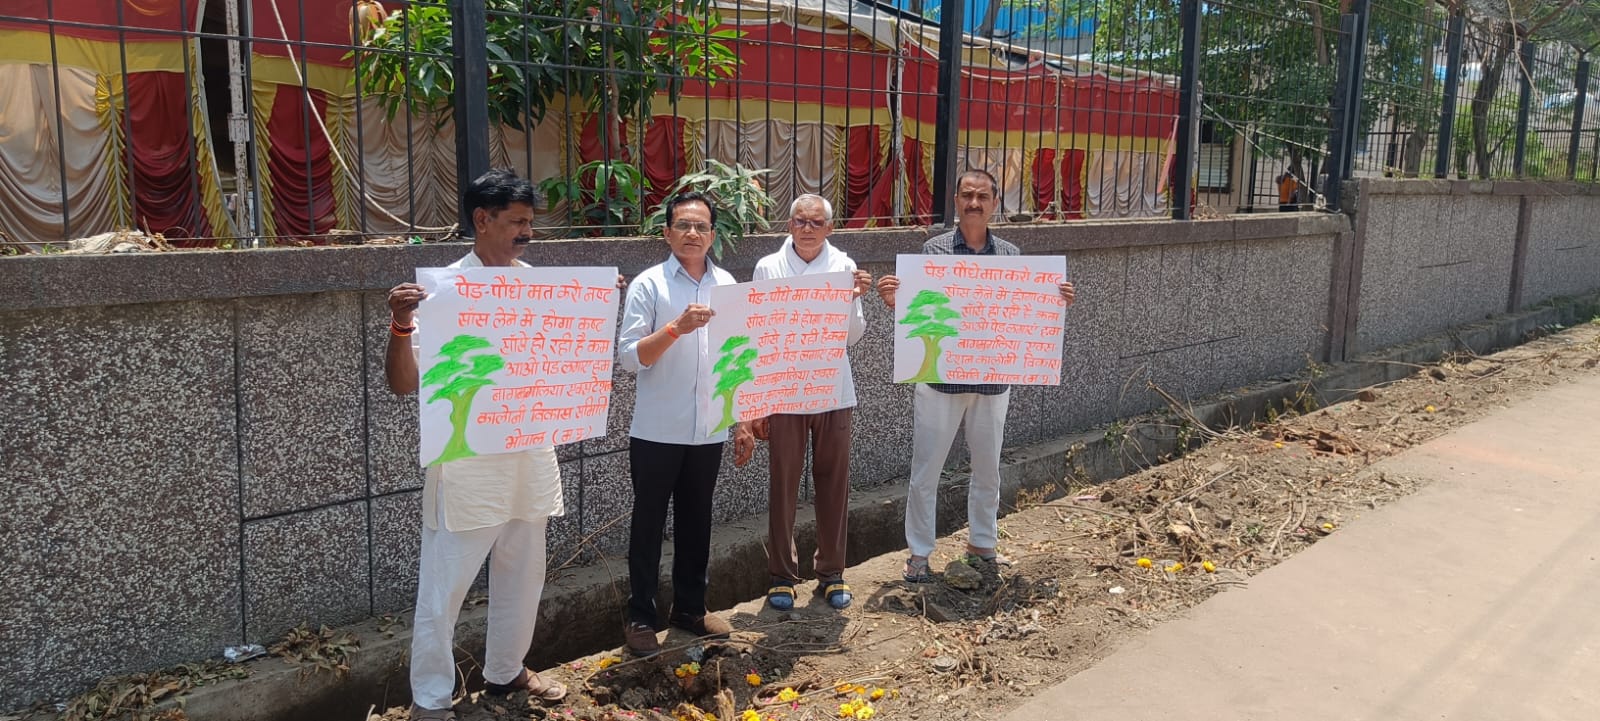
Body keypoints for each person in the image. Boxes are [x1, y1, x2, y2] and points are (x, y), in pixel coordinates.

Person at [384, 169, 567, 721]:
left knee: (524, 572)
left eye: (531, 223)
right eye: (517, 222)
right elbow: (404, 383)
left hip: (529, 453)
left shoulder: (534, 284)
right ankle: (432, 700)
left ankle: (506, 671)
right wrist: (399, 325)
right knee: (444, 588)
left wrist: (591, 308)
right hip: (466, 464)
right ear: (481, 220)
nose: (526, 233)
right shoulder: (439, 293)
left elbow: (560, 363)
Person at [875, 169, 1077, 582]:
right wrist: (896, 300)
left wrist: (1054, 303)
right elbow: (918, 311)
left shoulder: (1010, 254)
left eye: (982, 196)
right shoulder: (933, 250)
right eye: (967, 195)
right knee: (926, 470)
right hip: (939, 380)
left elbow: (1021, 312)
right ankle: (919, 554)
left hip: (992, 381)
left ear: (995, 203)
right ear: (955, 200)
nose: (974, 203)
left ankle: (983, 543)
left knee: (988, 468)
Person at [617, 190, 757, 657]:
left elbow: (737, 358)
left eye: (701, 226)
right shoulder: (649, 285)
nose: (692, 233)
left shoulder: (728, 284)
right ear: (667, 233)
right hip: (658, 430)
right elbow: (630, 359)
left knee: (698, 521)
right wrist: (676, 327)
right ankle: (641, 615)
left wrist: (740, 421)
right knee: (649, 524)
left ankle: (690, 609)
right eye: (683, 225)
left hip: (709, 428)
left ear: (713, 234)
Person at [749, 194, 872, 612]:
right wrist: (759, 400)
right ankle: (782, 576)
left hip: (833, 389)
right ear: (788, 225)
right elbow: (760, 332)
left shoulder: (843, 265)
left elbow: (852, 336)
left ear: (830, 229)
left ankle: (832, 572)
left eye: (816, 222)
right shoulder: (768, 266)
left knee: (834, 481)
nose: (806, 228)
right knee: (783, 483)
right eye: (799, 220)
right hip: (785, 389)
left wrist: (855, 296)